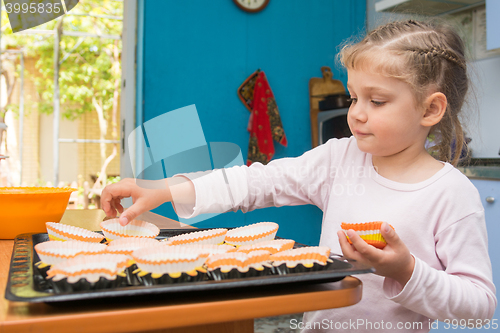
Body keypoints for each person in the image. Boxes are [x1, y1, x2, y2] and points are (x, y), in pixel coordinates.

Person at [102, 20, 496, 332]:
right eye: (353, 97)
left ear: (430, 110)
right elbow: (258, 182)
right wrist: (166, 188)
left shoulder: (451, 194)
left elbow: (478, 308)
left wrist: (406, 270)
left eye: (376, 101)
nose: (356, 113)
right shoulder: (340, 158)